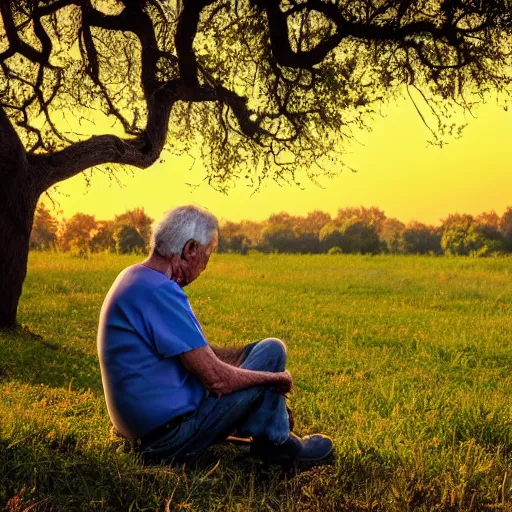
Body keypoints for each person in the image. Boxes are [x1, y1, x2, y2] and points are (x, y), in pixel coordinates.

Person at [97, 205, 333, 466]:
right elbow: (218, 381)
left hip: (148, 432)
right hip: (168, 440)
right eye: (206, 258)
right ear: (190, 250)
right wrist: (277, 379)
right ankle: (277, 445)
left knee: (266, 352)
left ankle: (264, 426)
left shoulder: (135, 278)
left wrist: (249, 358)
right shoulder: (161, 291)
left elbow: (199, 354)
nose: (203, 268)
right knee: (273, 353)